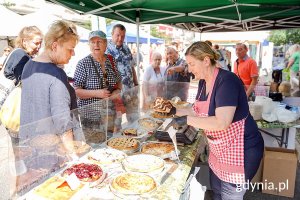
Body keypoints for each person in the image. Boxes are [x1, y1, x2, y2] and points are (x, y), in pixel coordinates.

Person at [164, 41, 264, 199]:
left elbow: (221, 122)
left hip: (241, 150)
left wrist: (186, 120)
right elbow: (197, 110)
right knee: (216, 192)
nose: (189, 69)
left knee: (230, 195)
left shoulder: (227, 81)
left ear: (205, 60)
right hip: (219, 150)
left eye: (192, 64)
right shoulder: (203, 82)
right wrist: (174, 110)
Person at [20, 20, 79, 154]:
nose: (73, 54)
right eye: (70, 49)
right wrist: (73, 154)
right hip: (54, 150)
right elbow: (62, 122)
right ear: (54, 46)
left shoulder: (28, 65)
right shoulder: (56, 74)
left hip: (30, 146)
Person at [73, 30, 122, 138]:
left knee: (110, 141)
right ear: (89, 44)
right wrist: (97, 93)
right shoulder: (83, 64)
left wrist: (117, 91)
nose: (96, 45)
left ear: (105, 44)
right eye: (93, 42)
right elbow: (76, 91)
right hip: (91, 116)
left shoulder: (111, 60)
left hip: (110, 113)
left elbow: (119, 81)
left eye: (99, 41)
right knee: (95, 146)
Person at [106, 24, 139, 124]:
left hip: (131, 91)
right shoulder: (106, 50)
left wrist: (136, 83)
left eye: (123, 36)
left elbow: (132, 66)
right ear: (112, 34)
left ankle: (135, 138)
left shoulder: (126, 48)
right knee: (117, 122)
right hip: (117, 94)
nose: (120, 39)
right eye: (118, 35)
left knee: (135, 119)